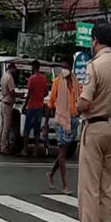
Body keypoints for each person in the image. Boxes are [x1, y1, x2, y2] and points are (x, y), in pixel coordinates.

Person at [68, 20, 111, 222]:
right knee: (105, 188)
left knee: (89, 188)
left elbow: (86, 101)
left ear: (94, 40)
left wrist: (77, 107)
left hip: (94, 128)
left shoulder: (94, 67)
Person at [47, 59, 80, 195]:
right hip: (61, 118)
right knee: (62, 151)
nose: (63, 70)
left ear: (70, 68)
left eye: (66, 67)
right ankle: (65, 184)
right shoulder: (57, 82)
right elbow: (50, 103)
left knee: (64, 151)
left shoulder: (75, 82)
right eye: (62, 67)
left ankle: (51, 174)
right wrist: (45, 124)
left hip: (73, 118)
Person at [22, 60, 48, 156]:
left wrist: (25, 106)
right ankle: (35, 150)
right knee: (37, 130)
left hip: (32, 106)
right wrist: (40, 96)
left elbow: (29, 93)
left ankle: (25, 150)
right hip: (40, 107)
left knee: (27, 129)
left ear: (33, 67)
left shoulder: (31, 79)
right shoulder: (44, 78)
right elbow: (46, 92)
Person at [0, 63, 18, 154]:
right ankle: (3, 147)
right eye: (15, 69)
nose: (15, 71)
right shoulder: (10, 77)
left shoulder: (4, 76)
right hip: (8, 103)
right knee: (6, 127)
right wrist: (18, 95)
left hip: (3, 102)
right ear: (12, 68)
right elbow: (12, 91)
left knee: (2, 126)